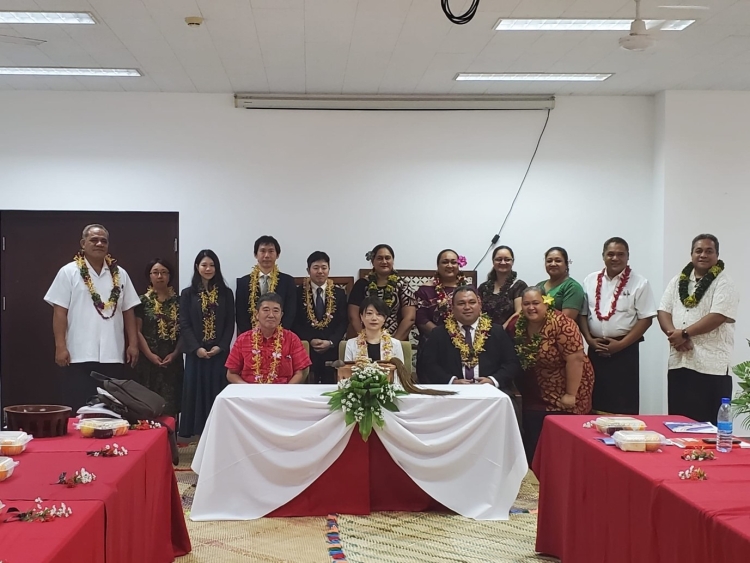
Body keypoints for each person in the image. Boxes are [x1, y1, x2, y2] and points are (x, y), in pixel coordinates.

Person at [44, 224, 141, 412]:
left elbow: (128, 311)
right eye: (94, 239)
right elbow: (59, 311)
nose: (99, 243)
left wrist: (133, 344)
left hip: (113, 353)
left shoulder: (120, 274)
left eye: (103, 240)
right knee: (79, 406)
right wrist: (60, 346)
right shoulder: (68, 272)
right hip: (78, 353)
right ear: (83, 243)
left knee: (111, 409)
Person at [657, 234, 739, 425]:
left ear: (717, 255)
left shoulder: (725, 282)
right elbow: (663, 310)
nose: (703, 255)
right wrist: (674, 335)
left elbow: (718, 316)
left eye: (709, 251)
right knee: (679, 423)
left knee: (707, 427)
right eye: (699, 250)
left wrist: (685, 333)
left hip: (711, 367)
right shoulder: (678, 280)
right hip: (680, 361)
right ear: (692, 254)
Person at [507, 287, 594, 463]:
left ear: (546, 303)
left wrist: (570, 395)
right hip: (538, 390)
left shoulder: (563, 324)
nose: (531, 308)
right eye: (526, 304)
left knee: (562, 441)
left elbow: (575, 360)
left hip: (569, 387)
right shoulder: (518, 324)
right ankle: (535, 476)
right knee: (533, 434)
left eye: (536, 303)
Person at [579, 237, 656, 414]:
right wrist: (589, 340)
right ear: (603, 256)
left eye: (620, 254)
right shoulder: (590, 281)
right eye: (610, 254)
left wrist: (620, 345)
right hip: (596, 347)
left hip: (625, 349)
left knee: (623, 403)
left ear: (628, 257)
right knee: (595, 399)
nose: (615, 258)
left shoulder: (640, 283)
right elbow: (583, 314)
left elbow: (646, 319)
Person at [420, 286, 521, 390]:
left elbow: (511, 363)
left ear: (480, 305)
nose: (467, 307)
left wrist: (492, 380)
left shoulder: (497, 331)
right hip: (451, 392)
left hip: (491, 392)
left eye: (472, 302)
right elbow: (429, 365)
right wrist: (451, 381)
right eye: (461, 303)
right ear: (452, 308)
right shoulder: (439, 334)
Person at [179, 250, 235, 438]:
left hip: (219, 352)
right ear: (197, 267)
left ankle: (219, 432)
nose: (208, 269)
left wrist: (222, 346)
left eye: (212, 265)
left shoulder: (226, 293)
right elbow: (184, 324)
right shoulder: (187, 294)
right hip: (197, 353)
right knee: (196, 393)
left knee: (217, 390)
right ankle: (196, 434)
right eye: (204, 265)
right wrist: (197, 348)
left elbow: (230, 322)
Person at [133, 259, 184, 417]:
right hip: (148, 361)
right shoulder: (142, 301)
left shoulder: (180, 301)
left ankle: (172, 439)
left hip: (172, 360)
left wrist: (175, 353)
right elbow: (137, 331)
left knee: (172, 403)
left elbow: (185, 331)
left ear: (170, 276)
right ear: (149, 276)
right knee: (148, 404)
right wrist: (149, 355)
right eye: (155, 272)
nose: (160, 276)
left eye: (164, 272)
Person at [227, 293, 311, 384]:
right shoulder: (242, 340)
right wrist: (248, 389)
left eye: (276, 311)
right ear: (257, 314)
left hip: (282, 392)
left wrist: (286, 391)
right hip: (250, 393)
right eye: (266, 310)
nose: (271, 315)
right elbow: (231, 374)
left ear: (281, 315)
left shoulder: (292, 339)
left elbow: (299, 373)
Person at [292, 251, 348, 383]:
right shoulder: (297, 292)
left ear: (329, 269)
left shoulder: (339, 293)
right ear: (308, 270)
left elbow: (343, 321)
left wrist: (331, 342)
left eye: (324, 267)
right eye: (316, 267)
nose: (320, 271)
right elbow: (295, 321)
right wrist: (310, 339)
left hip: (332, 348)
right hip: (306, 347)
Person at [348, 244, 416, 341]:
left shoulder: (402, 285)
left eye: (387, 258)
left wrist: (393, 344)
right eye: (379, 258)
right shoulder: (362, 284)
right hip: (364, 341)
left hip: (395, 340)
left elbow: (410, 318)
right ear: (372, 261)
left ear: (393, 260)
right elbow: (353, 316)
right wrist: (364, 340)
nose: (384, 261)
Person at [235, 235, 296, 335]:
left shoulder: (288, 281)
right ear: (255, 254)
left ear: (277, 255)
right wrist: (251, 335)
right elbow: (241, 314)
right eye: (262, 251)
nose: (266, 255)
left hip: (280, 337)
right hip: (251, 337)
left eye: (271, 251)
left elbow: (290, 313)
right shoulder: (243, 282)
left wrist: (278, 333)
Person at [344, 297, 405, 389]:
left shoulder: (395, 344)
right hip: (359, 391)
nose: (374, 318)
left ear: (384, 318)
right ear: (361, 317)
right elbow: (348, 374)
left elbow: (400, 375)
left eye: (379, 314)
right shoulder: (351, 344)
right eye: (369, 313)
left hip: (389, 390)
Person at [478, 245, 528, 328]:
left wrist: (500, 330)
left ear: (513, 262)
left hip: (508, 334)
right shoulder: (484, 287)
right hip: (483, 334)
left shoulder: (519, 286)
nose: (503, 262)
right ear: (493, 261)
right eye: (499, 259)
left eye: (507, 259)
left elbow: (519, 312)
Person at [536, 247, 584, 320]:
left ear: (566, 264)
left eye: (558, 261)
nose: (553, 264)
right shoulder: (539, 285)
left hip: (561, 330)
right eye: (549, 261)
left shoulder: (572, 287)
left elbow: (565, 320)